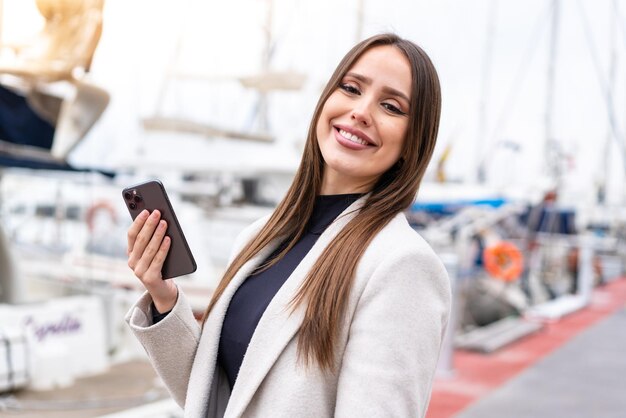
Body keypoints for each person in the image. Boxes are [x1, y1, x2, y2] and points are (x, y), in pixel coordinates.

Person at [125, 33, 451, 418]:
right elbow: (214, 397)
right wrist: (164, 297)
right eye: (350, 88)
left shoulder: (402, 265)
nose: (361, 111)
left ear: (414, 142)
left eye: (391, 106)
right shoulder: (261, 235)